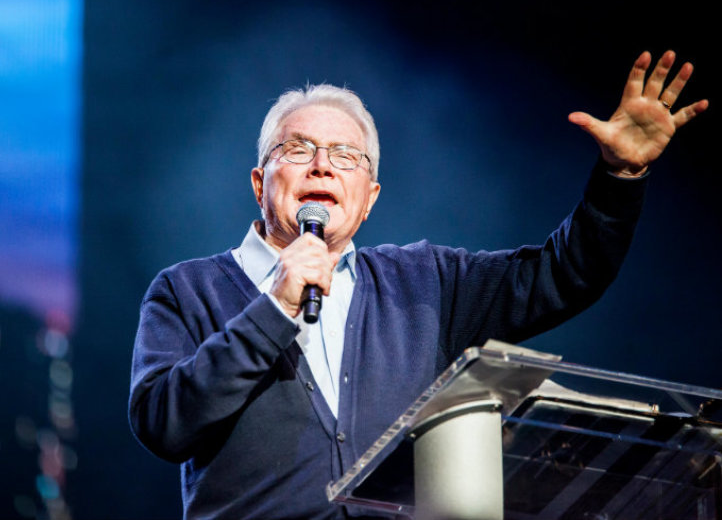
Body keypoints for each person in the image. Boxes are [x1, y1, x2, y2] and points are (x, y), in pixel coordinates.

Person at [129, 51, 707, 519]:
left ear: (369, 199)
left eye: (346, 156)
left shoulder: (425, 281)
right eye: (298, 150)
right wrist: (272, 308)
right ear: (260, 182)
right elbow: (162, 423)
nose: (322, 166)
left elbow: (561, 275)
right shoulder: (188, 289)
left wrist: (620, 177)